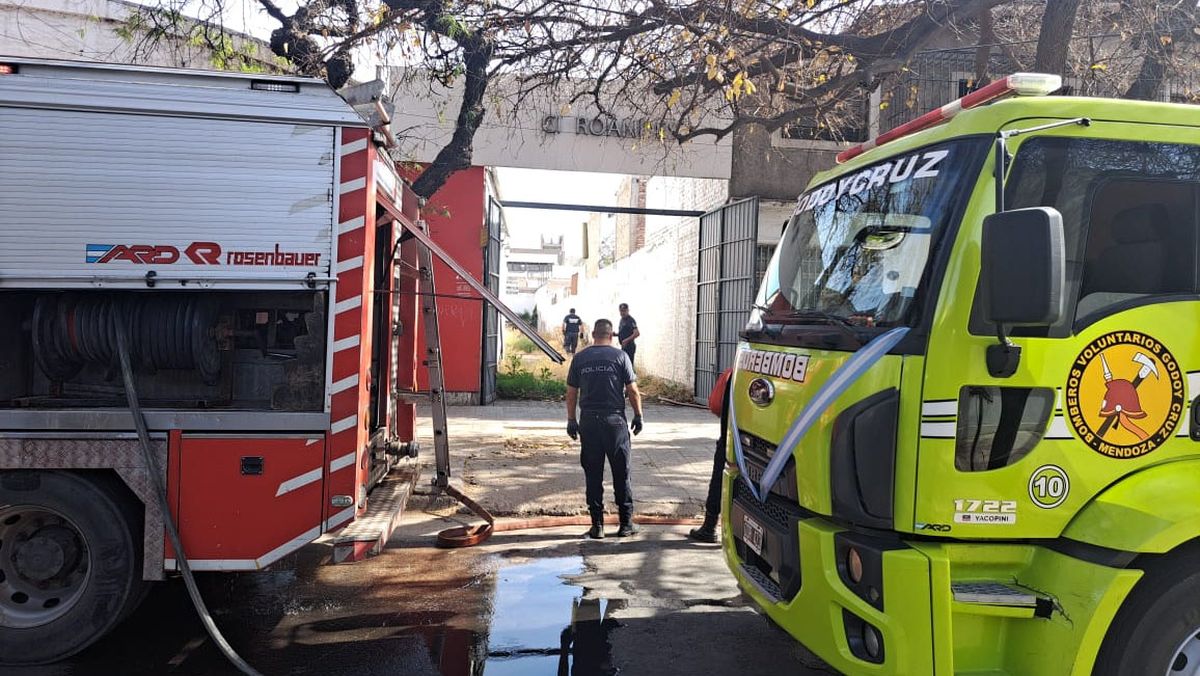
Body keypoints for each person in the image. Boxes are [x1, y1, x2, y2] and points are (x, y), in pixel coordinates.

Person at [566, 319, 644, 538]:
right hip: (615, 423)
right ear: (613, 336)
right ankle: (626, 524)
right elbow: (633, 391)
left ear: (593, 334)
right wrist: (638, 416)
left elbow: (571, 392)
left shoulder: (580, 358)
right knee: (622, 472)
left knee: (593, 474)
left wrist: (571, 420)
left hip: (589, 423)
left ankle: (597, 525)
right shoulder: (621, 356)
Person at [689, 367, 733, 543]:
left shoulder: (733, 373)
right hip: (766, 443)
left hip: (732, 437)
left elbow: (715, 405)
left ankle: (710, 526)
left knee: (719, 481)